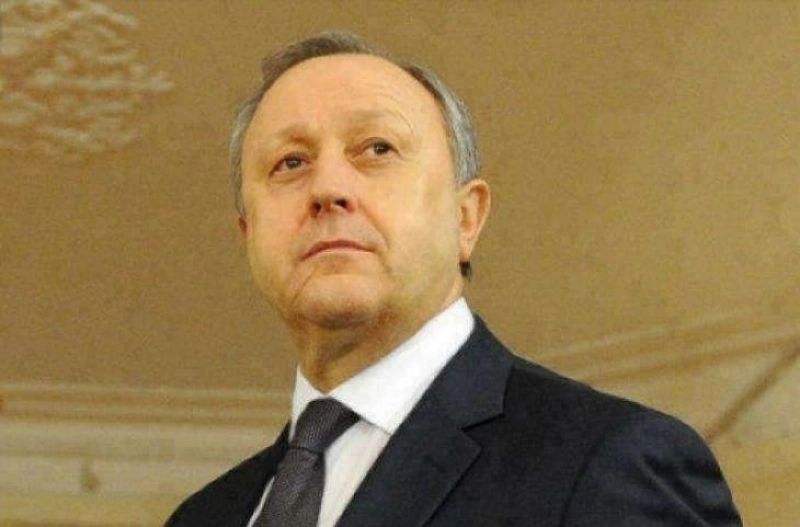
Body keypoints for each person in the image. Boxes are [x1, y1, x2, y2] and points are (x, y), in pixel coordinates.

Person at [166, 31, 742, 527]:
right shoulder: (205, 516)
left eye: (377, 149)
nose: (328, 189)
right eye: (290, 163)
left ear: (466, 218)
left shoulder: (610, 461)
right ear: (248, 232)